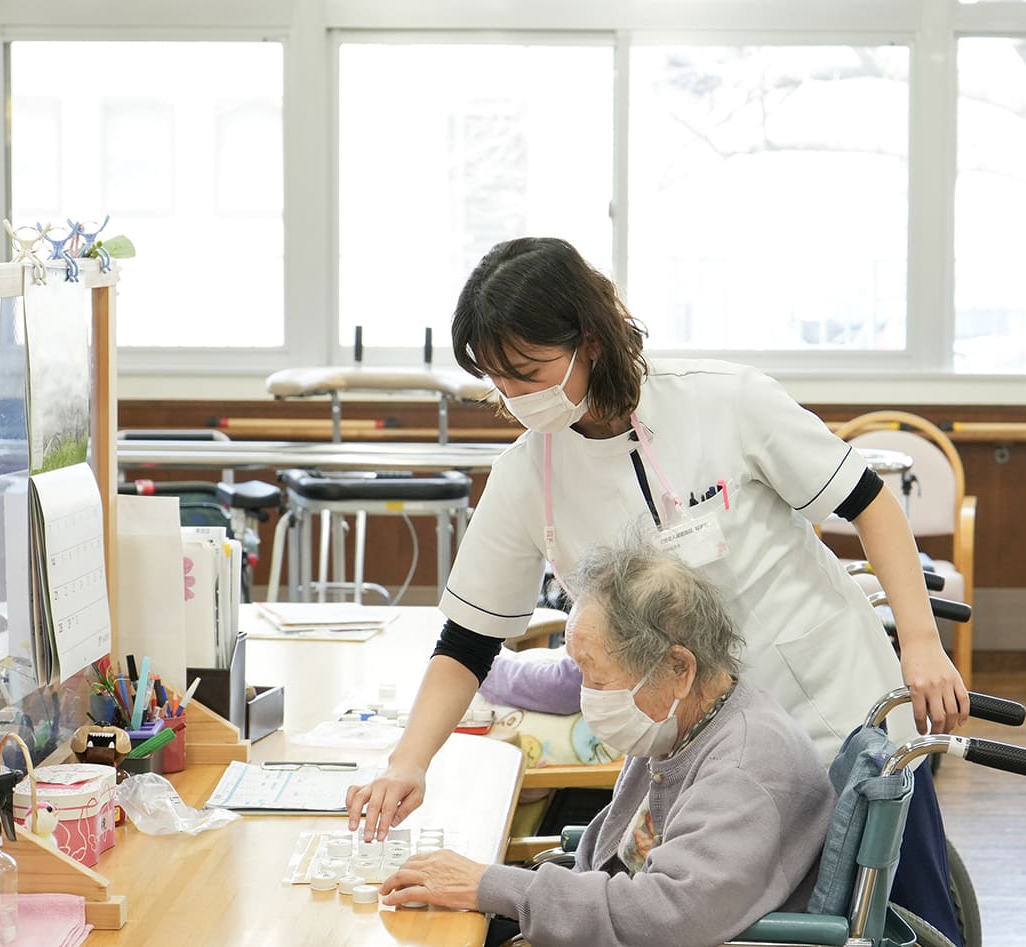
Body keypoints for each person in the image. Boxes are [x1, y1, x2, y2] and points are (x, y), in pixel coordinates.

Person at [347, 236, 968, 941]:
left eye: (528, 372)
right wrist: (409, 760)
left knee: (901, 916)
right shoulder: (529, 473)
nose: (516, 398)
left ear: (591, 342)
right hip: (699, 742)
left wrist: (920, 642)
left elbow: (869, 502)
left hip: (830, 708)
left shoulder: (723, 399)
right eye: (498, 381)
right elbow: (467, 640)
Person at [378, 541, 835, 947]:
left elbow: (665, 918)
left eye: (597, 675)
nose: (588, 694)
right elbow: (612, 864)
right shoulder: (680, 725)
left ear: (679, 668)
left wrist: (492, 885)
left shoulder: (742, 771)